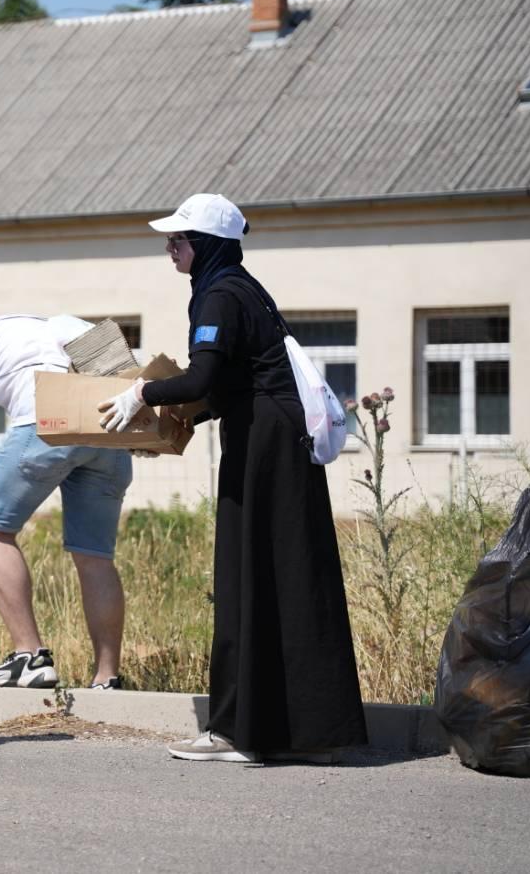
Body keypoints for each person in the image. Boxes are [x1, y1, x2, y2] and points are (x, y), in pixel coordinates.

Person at [99, 193, 367, 763]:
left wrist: (143, 393)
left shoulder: (219, 294)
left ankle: (237, 734)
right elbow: (228, 385)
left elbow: (202, 379)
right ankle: (293, 732)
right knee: (286, 577)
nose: (170, 249)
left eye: (179, 240)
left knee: (247, 577)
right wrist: (168, 427)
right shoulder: (242, 286)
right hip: (278, 436)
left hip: (266, 444)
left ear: (209, 245)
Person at [0, 309, 131, 691]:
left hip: (47, 423)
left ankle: (30, 656)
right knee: (94, 556)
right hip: (107, 432)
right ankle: (107, 677)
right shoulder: (33, 326)